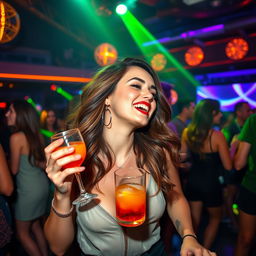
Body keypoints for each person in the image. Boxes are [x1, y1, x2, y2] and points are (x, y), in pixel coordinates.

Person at [44, 58, 216, 256]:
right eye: (136, 85)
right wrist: (61, 195)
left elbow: (175, 199)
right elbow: (58, 248)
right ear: (107, 97)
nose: (149, 96)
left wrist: (189, 236)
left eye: (153, 92)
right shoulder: (78, 159)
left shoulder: (159, 153)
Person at [181, 99, 232, 249]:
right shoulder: (217, 136)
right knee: (215, 218)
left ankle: (193, 249)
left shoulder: (187, 132)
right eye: (218, 112)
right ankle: (205, 250)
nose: (221, 115)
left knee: (194, 221)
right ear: (211, 114)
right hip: (211, 184)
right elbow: (228, 166)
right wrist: (234, 150)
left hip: (193, 181)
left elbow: (182, 157)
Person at [5, 100, 50, 256]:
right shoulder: (36, 134)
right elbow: (38, 161)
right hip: (42, 186)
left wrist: (4, 161)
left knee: (22, 234)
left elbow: (14, 170)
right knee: (36, 225)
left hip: (28, 191)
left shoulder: (16, 137)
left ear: (21, 115)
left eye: (10, 111)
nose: (6, 114)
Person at [221, 101, 252, 231]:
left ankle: (239, 220)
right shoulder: (228, 129)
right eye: (247, 110)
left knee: (239, 196)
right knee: (230, 195)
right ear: (238, 112)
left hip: (243, 170)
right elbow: (224, 151)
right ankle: (232, 221)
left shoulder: (247, 126)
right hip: (231, 169)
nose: (250, 112)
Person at [233, 113, 256, 256]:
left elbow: (239, 163)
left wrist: (235, 146)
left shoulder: (253, 120)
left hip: (252, 188)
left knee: (245, 240)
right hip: (252, 187)